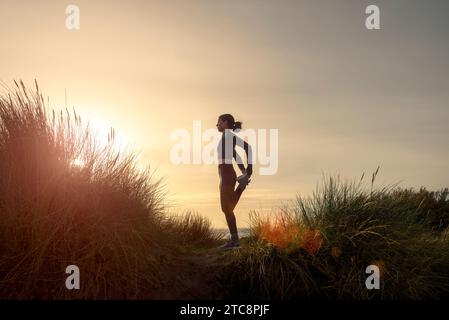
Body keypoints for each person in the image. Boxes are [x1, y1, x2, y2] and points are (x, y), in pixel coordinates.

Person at [216, 114, 253, 250]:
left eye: (219, 122)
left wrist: (249, 169)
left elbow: (248, 148)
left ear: (225, 122)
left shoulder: (229, 136)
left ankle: (235, 240)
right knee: (226, 208)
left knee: (227, 208)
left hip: (227, 174)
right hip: (224, 174)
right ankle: (235, 239)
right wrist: (243, 170)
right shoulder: (225, 137)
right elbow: (234, 154)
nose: (217, 124)